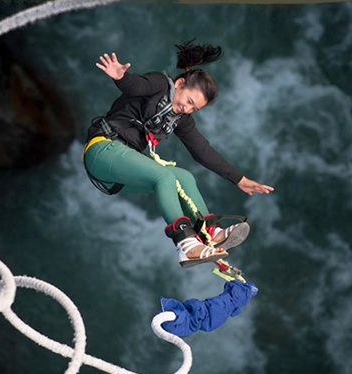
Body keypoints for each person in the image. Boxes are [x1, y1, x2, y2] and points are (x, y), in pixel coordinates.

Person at [83, 40, 274, 268]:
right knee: (163, 177)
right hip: (102, 150)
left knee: (183, 178)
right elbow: (135, 86)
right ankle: (185, 243)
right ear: (180, 83)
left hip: (115, 175)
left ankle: (208, 232)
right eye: (189, 101)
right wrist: (120, 77)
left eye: (194, 109)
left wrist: (239, 179)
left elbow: (202, 151)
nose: (188, 109)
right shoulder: (158, 84)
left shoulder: (180, 118)